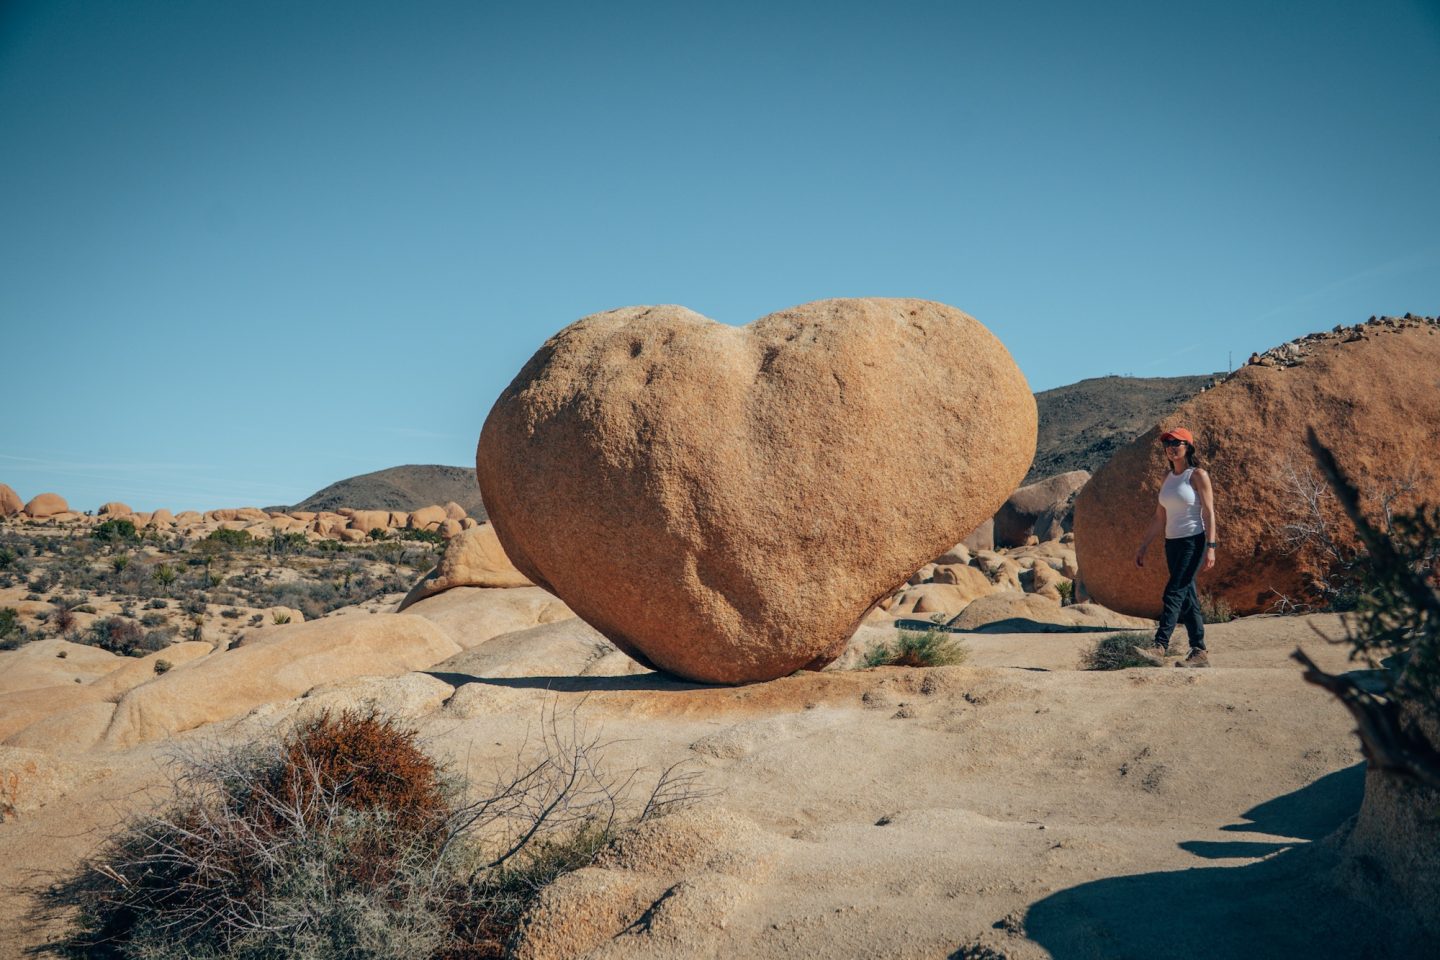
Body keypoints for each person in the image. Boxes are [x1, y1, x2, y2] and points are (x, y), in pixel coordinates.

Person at [1133, 427, 1217, 667]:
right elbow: (1160, 516)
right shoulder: (1167, 478)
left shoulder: (1198, 475)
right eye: (1167, 443)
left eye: (1176, 443)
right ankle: (1199, 652)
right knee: (1188, 596)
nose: (1171, 447)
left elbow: (1209, 513)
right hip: (1172, 543)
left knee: (1174, 592)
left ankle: (1159, 646)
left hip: (1194, 540)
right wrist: (1143, 545)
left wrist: (1211, 546)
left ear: (1188, 446)